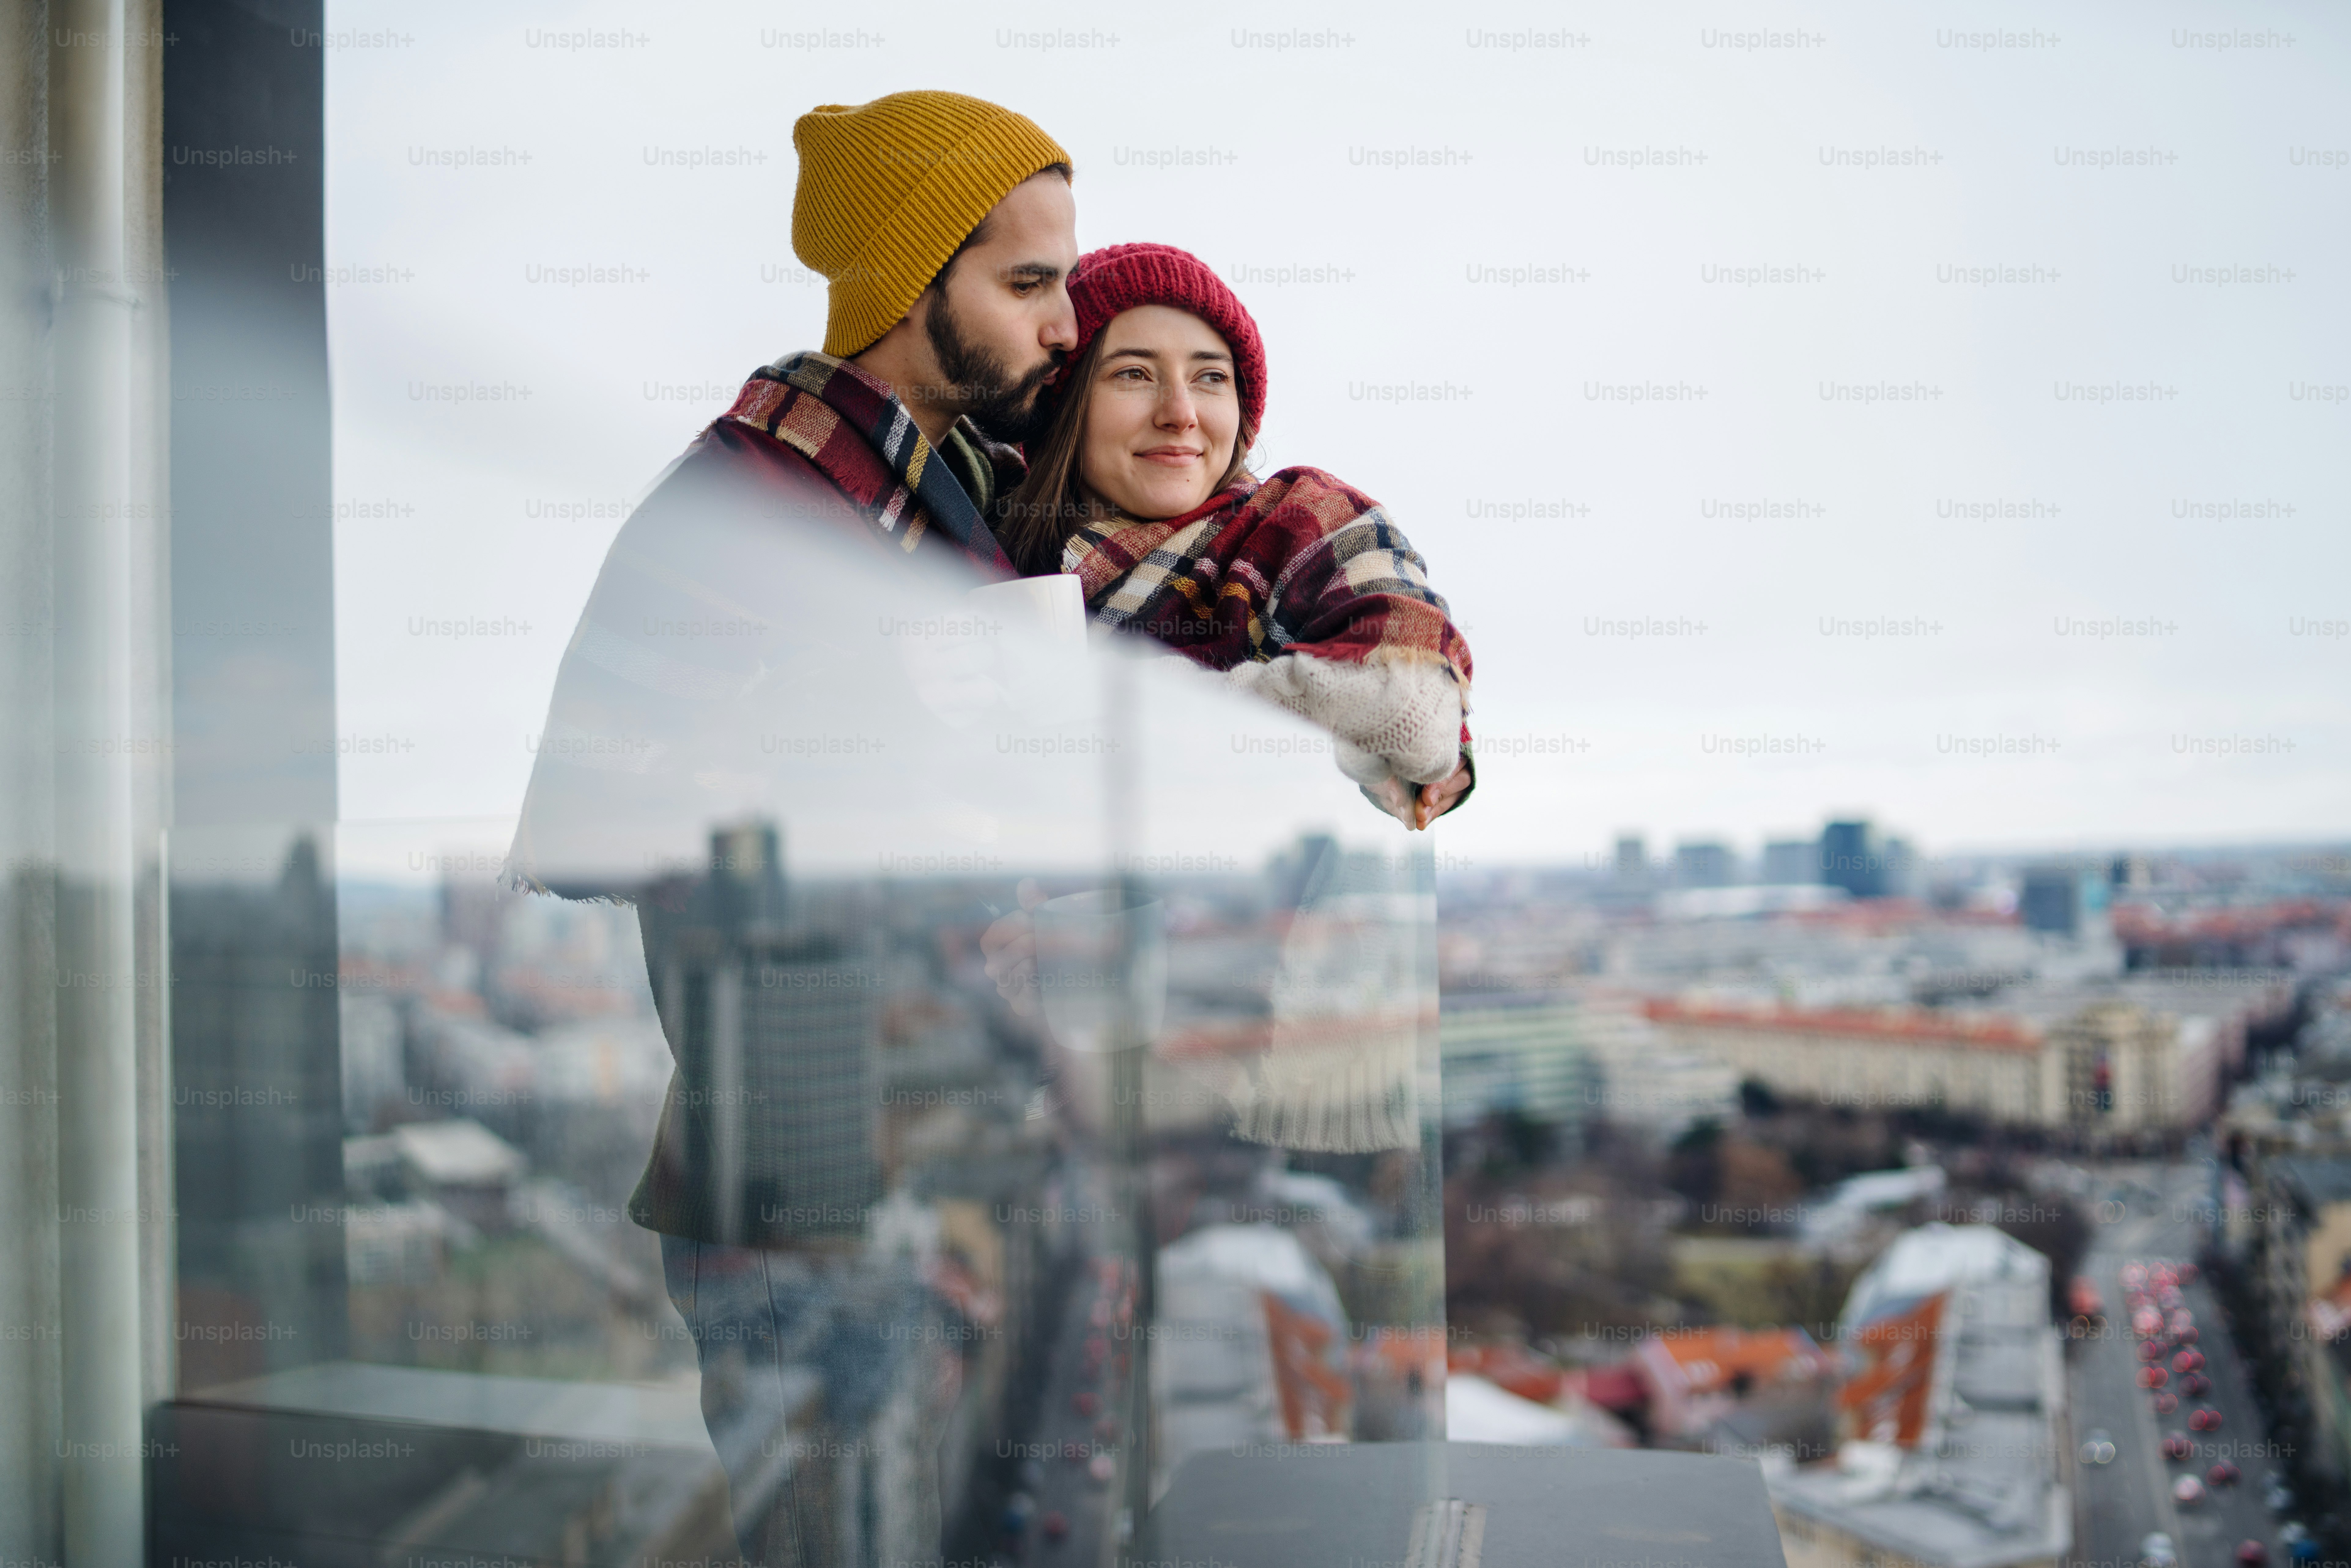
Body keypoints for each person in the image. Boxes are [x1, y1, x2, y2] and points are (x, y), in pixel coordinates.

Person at [507, 90, 1082, 1568]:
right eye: (1028, 282)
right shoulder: (746, 501)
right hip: (791, 1192)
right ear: (912, 281)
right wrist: (865, 711)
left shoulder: (944, 493)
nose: (1063, 324)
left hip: (905, 1161)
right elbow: (591, 812)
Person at [996, 242, 1476, 830]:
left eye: (1211, 378)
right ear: (1062, 406)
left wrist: (1123, 701)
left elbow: (1409, 705)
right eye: (1133, 374)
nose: (1180, 413)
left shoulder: (1302, 520)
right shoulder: (988, 533)